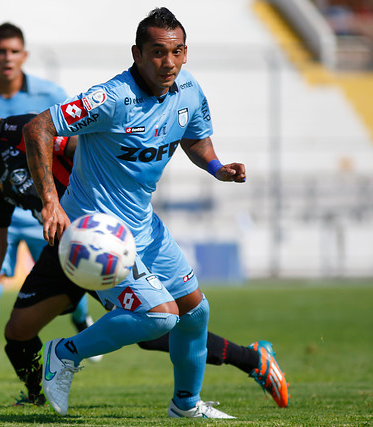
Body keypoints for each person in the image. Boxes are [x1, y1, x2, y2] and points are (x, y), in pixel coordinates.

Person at [0, 78, 288, 411]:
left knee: (155, 324)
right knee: (18, 334)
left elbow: (84, 148)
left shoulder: (25, 132)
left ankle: (249, 359)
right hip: (64, 250)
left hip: (101, 239)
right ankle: (37, 398)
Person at [22, 7, 265, 418]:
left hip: (143, 225)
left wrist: (216, 168)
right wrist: (50, 201)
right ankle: (63, 353)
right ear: (136, 53)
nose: (167, 61)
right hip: (95, 231)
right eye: (156, 52)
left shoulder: (188, 89)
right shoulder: (112, 99)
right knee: (159, 318)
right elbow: (37, 128)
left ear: (185, 53)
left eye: (176, 51)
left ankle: (185, 405)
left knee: (195, 310)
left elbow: (194, 138)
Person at [0, 22, 98, 385]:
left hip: (85, 225)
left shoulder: (29, 118)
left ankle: (249, 359)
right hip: (38, 223)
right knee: (17, 327)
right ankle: (1, 379)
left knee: (151, 322)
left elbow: (75, 144)